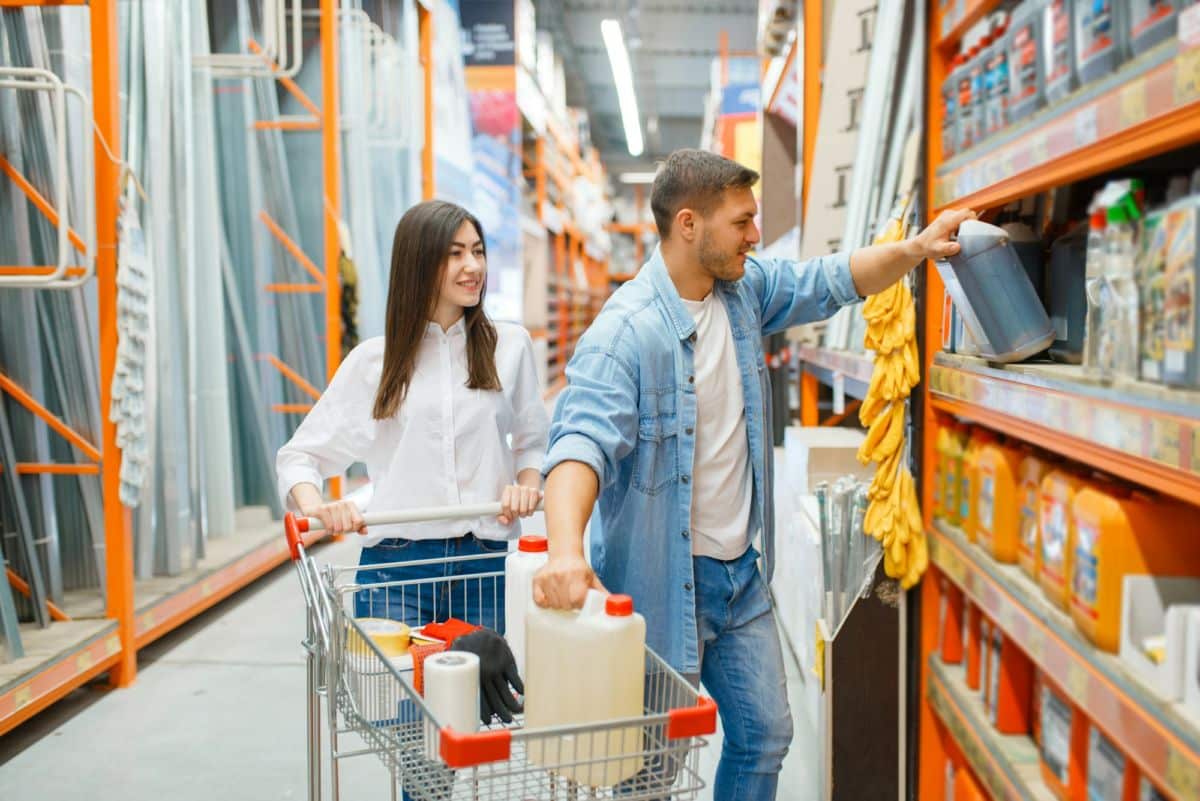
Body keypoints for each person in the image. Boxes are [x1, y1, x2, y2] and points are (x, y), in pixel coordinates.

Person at [534, 149, 974, 800]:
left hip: (740, 580)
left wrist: (916, 248)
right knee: (649, 769)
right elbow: (578, 444)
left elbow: (829, 279)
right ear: (689, 225)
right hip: (660, 584)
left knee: (765, 733)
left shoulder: (742, 296)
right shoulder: (624, 335)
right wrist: (565, 551)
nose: (755, 235)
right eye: (742, 220)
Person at [276, 198, 548, 673]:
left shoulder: (509, 347)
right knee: (403, 727)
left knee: (478, 721)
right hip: (397, 569)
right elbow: (300, 457)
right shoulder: (373, 364)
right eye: (455, 253)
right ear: (419, 263)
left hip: (484, 564)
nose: (473, 266)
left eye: (478, 251)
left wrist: (526, 484)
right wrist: (318, 508)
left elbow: (533, 440)